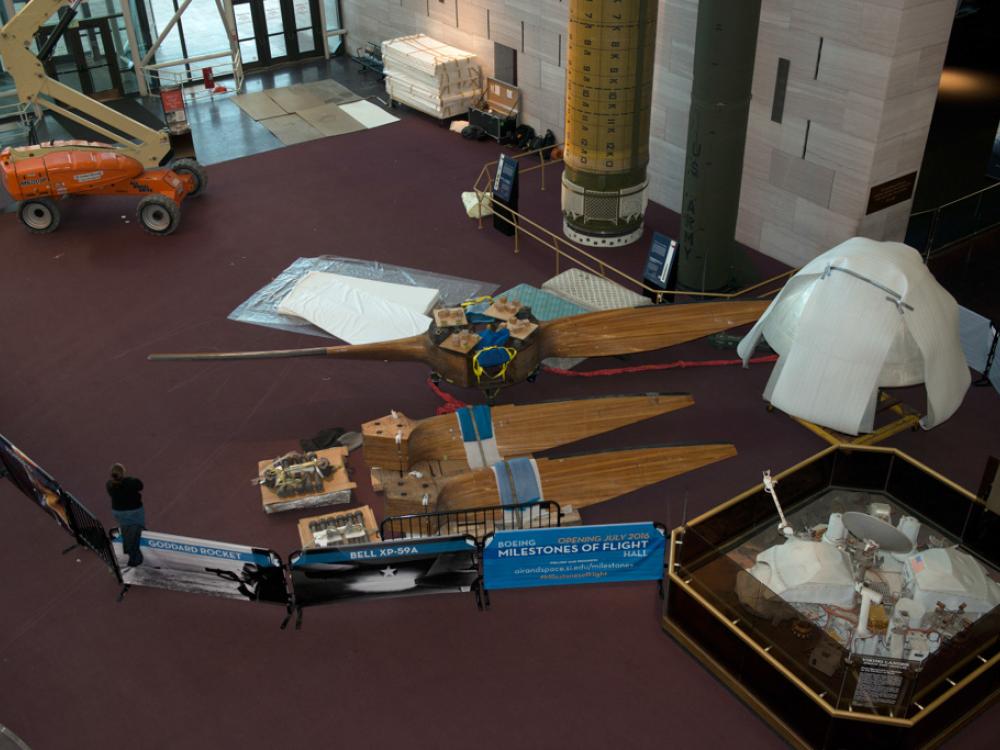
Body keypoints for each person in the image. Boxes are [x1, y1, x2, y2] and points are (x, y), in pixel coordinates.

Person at [107, 463, 145, 567]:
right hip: (134, 511)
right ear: (123, 473)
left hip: (118, 512)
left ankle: (130, 552)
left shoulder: (109, 485)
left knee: (127, 530)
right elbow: (140, 485)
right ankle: (135, 558)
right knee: (137, 531)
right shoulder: (130, 482)